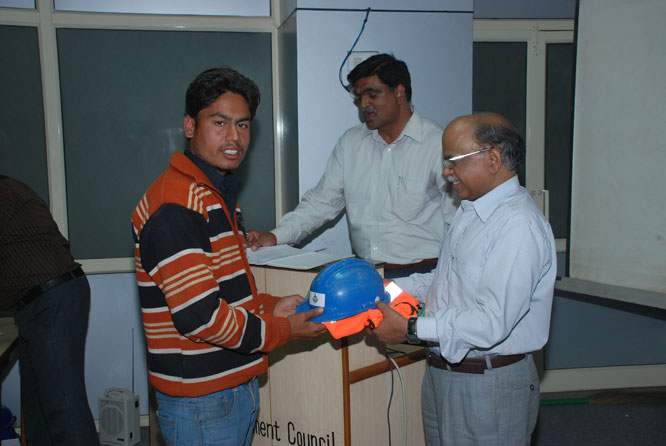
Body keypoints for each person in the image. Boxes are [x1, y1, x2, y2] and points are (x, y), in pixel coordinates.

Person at [131, 67, 326, 446]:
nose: (234, 137)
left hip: (231, 388)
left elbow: (225, 293)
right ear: (190, 126)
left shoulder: (214, 196)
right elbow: (201, 317)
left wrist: (271, 306)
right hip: (201, 401)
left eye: (243, 125)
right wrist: (284, 330)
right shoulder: (177, 205)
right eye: (219, 123)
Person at [367, 113, 557, 445]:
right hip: (444, 373)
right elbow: (443, 284)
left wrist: (411, 328)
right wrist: (381, 288)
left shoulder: (518, 226)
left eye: (453, 161)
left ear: (493, 159)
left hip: (488, 383)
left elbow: (491, 322)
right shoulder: (470, 211)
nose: (446, 171)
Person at [247, 53, 458, 278]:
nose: (364, 105)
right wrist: (276, 236)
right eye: (359, 98)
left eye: (372, 95)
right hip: (365, 274)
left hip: (424, 275)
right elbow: (320, 203)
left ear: (399, 92)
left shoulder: (437, 143)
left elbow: (456, 222)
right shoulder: (351, 144)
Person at [0, 175, 98, 445]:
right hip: (50, 297)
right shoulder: (12, 187)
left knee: (63, 408)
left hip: (48, 299)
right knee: (40, 408)